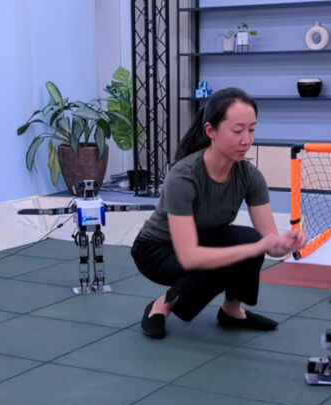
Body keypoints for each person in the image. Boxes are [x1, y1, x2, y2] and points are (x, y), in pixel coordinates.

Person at [130, 87, 306, 339]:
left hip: (203, 240)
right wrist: (257, 247)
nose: (246, 139)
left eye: (252, 129)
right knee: (227, 258)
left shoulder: (250, 176)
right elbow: (190, 257)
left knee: (249, 241)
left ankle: (231, 311)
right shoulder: (183, 176)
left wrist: (285, 243)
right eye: (237, 131)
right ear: (211, 131)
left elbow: (271, 245)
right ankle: (162, 305)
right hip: (156, 251)